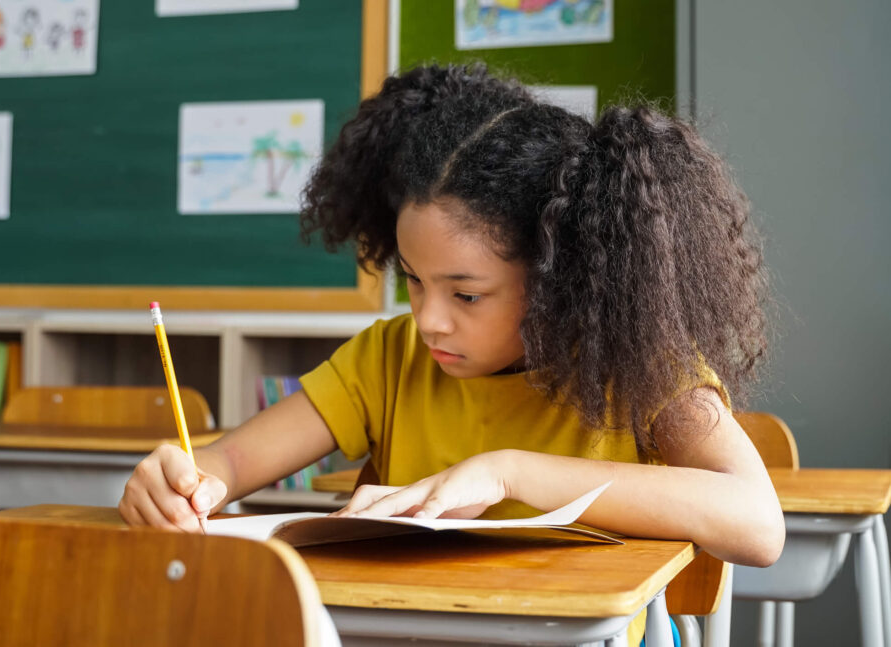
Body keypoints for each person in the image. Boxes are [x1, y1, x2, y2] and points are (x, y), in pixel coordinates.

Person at [119, 63, 784, 571]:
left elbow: (758, 523)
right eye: (413, 280)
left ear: (557, 278)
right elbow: (233, 458)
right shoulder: (387, 358)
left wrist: (511, 472)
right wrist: (184, 478)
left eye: (466, 294)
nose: (429, 320)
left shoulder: (636, 363)